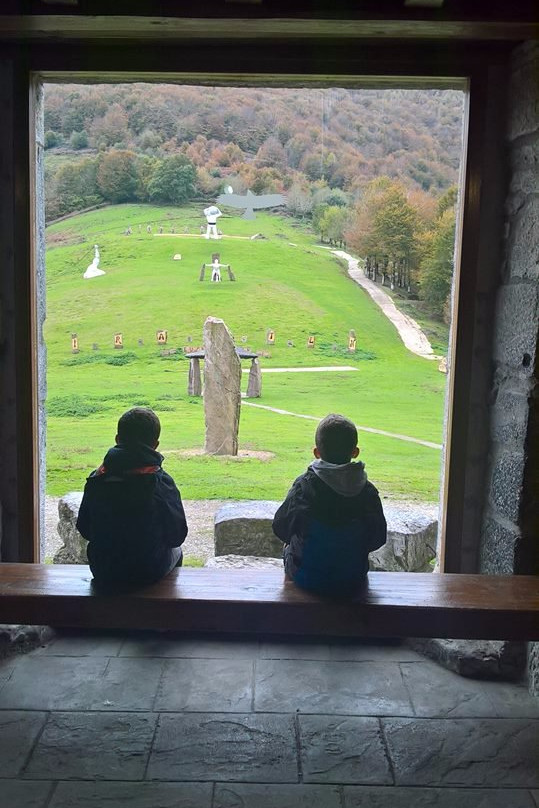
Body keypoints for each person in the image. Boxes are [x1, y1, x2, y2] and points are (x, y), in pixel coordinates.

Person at [272, 413, 386, 597]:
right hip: (352, 577)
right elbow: (378, 537)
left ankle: (289, 607)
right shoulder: (367, 491)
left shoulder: (304, 487)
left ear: (317, 452)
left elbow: (280, 527)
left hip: (307, 578)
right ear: (355, 452)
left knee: (289, 546)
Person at [77, 407, 188, 591]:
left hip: (104, 570)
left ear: (117, 439)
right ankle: (165, 608)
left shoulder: (97, 477)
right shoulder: (161, 482)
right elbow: (177, 536)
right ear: (155, 444)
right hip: (147, 571)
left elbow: (85, 528)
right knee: (177, 552)